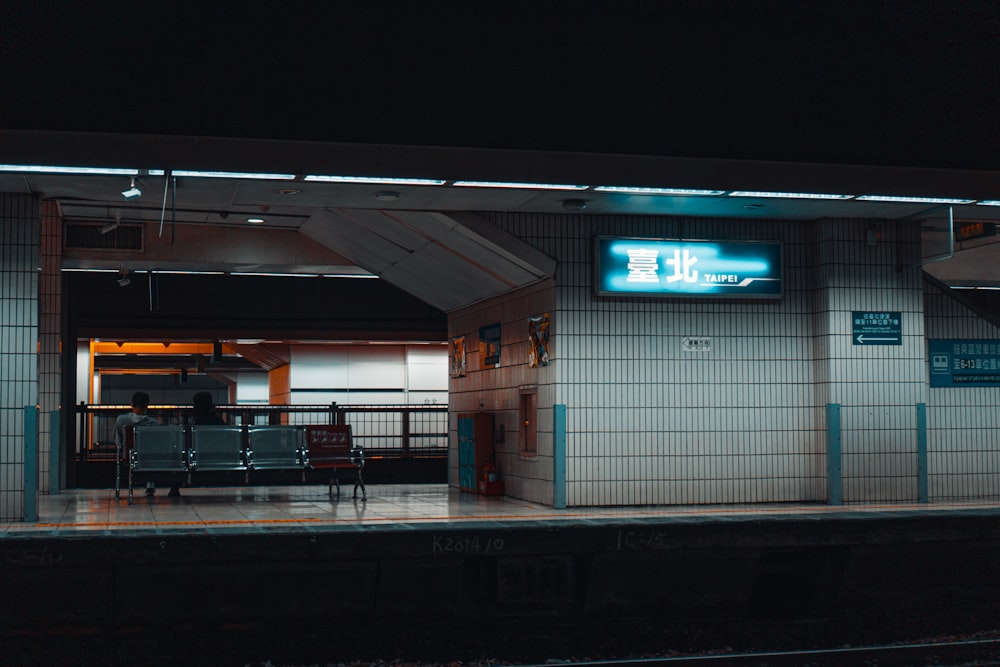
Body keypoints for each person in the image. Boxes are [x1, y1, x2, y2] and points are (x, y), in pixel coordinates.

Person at [113, 391, 160, 496]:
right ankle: (150, 486)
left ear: (132, 404)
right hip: (148, 457)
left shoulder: (121, 420)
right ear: (146, 406)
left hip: (128, 457)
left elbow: (118, 441)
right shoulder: (153, 423)